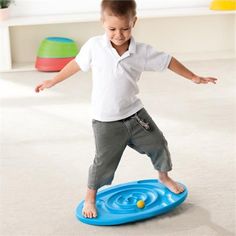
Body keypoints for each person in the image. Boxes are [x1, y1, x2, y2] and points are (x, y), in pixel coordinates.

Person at [35, 0, 217, 219]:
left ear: (134, 22)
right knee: (103, 162)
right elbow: (76, 63)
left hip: (135, 114)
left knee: (158, 143)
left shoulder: (141, 51)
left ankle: (163, 176)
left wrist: (194, 77)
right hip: (105, 120)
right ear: (102, 23)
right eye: (112, 29)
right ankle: (91, 197)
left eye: (125, 28)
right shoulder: (94, 46)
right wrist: (52, 82)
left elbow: (168, 61)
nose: (119, 34)